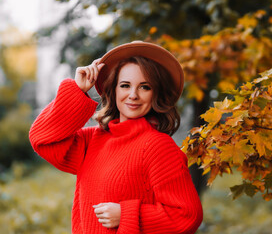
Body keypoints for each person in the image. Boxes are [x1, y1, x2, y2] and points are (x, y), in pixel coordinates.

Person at [29, 41, 203, 234]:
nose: (133, 95)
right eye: (125, 85)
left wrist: (126, 215)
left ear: (156, 94)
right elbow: (42, 139)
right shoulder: (92, 140)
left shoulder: (158, 146)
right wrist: (77, 90)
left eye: (145, 87)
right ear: (113, 90)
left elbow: (187, 215)